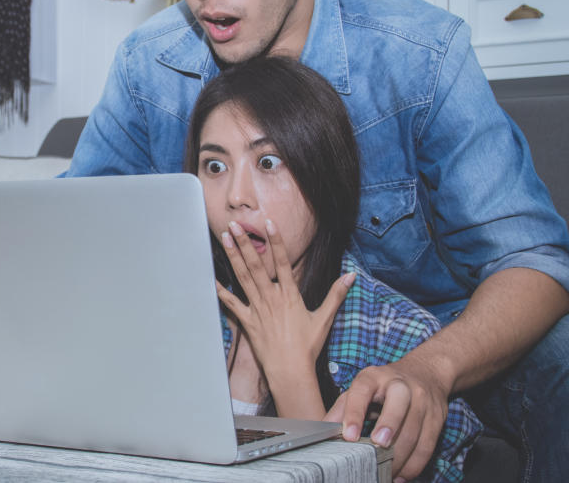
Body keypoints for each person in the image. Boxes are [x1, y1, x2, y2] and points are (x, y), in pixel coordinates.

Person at [64, 0, 569, 481]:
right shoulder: (149, 65)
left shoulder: (420, 54)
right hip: (237, 328)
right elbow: (76, 234)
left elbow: (534, 261)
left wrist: (430, 367)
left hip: (434, 333)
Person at [186, 56, 480, 482]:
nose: (236, 196)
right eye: (215, 165)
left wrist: (292, 378)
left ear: (325, 174)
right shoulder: (172, 310)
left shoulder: (403, 343)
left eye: (268, 162)